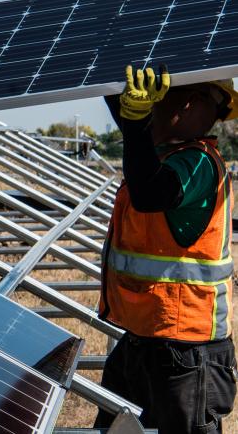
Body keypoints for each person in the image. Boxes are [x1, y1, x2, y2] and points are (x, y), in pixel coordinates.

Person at [95, 65, 238, 433]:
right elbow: (134, 133)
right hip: (144, 340)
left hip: (186, 352)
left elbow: (149, 191)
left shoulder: (198, 163)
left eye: (162, 95)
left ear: (191, 102)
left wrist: (139, 115)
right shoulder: (159, 154)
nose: (153, 104)